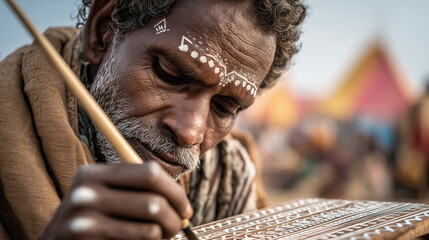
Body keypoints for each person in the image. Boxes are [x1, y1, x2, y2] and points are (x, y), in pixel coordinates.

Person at [0, 0, 305, 239]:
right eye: (169, 73)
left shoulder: (227, 174)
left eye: (224, 108)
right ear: (103, 32)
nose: (190, 132)